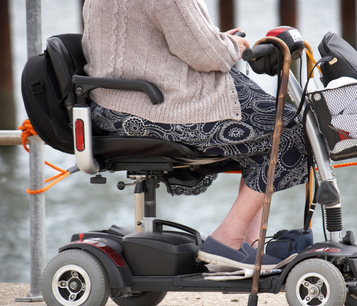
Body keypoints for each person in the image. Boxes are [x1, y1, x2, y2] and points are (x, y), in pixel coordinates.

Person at [82, 0, 309, 270]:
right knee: (292, 130)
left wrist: (216, 42)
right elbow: (209, 56)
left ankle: (248, 245)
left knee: (266, 130)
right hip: (153, 107)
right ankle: (228, 240)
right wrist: (233, 46)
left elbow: (159, 41)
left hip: (112, 105)